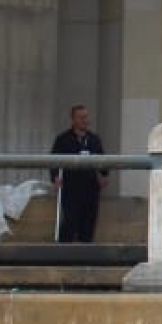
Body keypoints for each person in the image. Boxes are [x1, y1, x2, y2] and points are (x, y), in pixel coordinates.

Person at [50, 104, 109, 243]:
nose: (85, 120)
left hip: (90, 187)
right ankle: (64, 252)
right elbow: (53, 160)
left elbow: (102, 159)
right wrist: (55, 177)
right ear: (73, 119)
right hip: (71, 187)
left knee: (88, 223)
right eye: (81, 117)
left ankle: (85, 252)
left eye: (86, 117)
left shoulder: (94, 139)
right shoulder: (63, 139)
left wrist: (104, 174)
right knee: (70, 222)